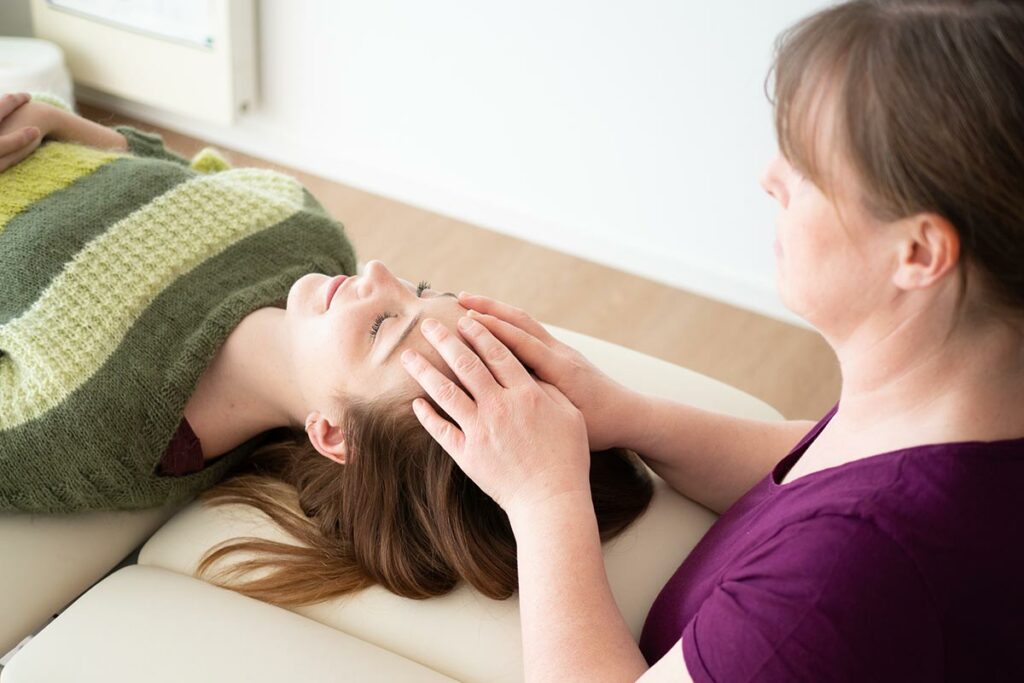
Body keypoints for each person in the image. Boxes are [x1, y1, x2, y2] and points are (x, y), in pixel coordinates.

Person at [399, 1, 1024, 680]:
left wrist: (545, 499)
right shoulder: (967, 389)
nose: (770, 177)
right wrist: (630, 415)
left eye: (809, 170)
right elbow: (824, 463)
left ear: (920, 251)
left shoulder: (842, 576)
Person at [0, 92, 655, 601]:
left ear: (334, 433)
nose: (377, 276)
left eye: (382, 326)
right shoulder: (308, 233)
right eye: (421, 288)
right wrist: (49, 120)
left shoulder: (105, 425)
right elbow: (158, 168)